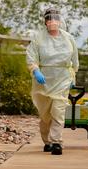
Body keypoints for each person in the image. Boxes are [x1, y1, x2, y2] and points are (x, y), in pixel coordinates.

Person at [26, 8, 79, 155]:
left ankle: (56, 142)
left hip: (62, 78)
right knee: (45, 114)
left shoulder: (68, 38)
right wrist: (35, 70)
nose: (52, 22)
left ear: (60, 21)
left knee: (58, 110)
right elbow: (31, 56)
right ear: (45, 22)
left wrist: (73, 75)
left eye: (55, 19)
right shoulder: (38, 38)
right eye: (49, 19)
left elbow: (74, 59)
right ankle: (47, 141)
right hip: (43, 80)